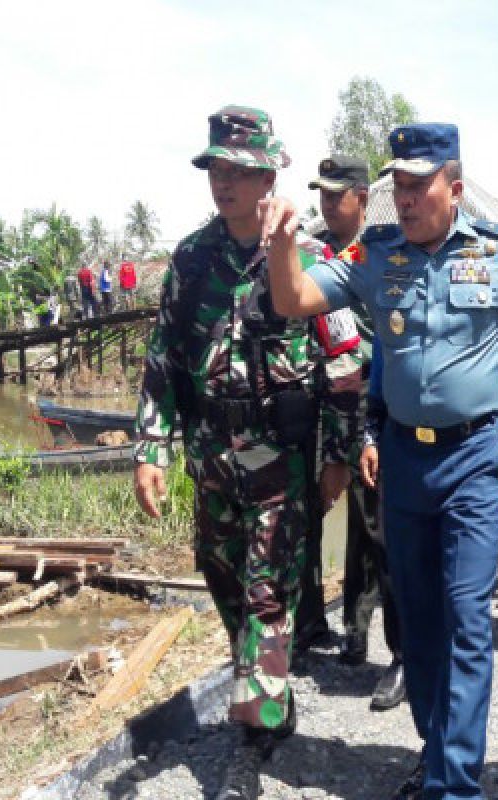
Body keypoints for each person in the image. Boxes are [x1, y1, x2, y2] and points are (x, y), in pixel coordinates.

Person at [264, 122, 498, 800]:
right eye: (396, 185)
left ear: (453, 189)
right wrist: (283, 246)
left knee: (464, 617)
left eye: (416, 185)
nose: (401, 198)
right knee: (422, 620)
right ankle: (437, 754)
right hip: (403, 460)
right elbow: (292, 300)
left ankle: (455, 784)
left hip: (474, 461)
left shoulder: (493, 255)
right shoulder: (377, 258)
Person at [133, 104, 360, 800]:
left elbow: (347, 365)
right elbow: (163, 361)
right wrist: (151, 449)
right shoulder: (191, 259)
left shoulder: (311, 258)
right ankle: (270, 691)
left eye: (238, 170)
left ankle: (253, 741)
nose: (223, 182)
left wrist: (338, 456)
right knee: (221, 573)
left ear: (269, 174)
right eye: (216, 169)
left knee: (268, 590)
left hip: (279, 459)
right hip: (210, 458)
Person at [308, 153, 406, 711]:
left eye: (336, 192)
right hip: (333, 408)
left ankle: (401, 655)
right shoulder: (318, 251)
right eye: (321, 192)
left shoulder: (382, 253)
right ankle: (353, 629)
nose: (327, 201)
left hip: (379, 403)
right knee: (354, 530)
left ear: (362, 197)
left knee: (386, 531)